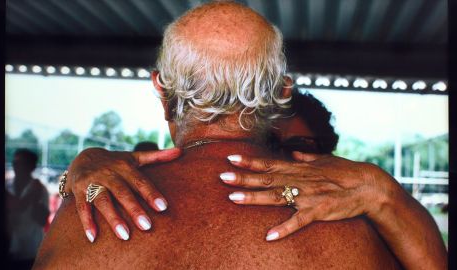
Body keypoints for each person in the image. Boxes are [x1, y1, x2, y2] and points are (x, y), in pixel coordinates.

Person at [34, 2, 444, 269]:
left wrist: (77, 175)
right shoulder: (350, 227)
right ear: (283, 92)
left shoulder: (91, 212)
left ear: (161, 87)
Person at [6, 149, 50, 269]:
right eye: (15, 162)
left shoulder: (41, 189)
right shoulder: (7, 187)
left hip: (31, 250)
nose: (16, 166)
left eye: (21, 162)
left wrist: (35, 199)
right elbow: (17, 207)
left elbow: (42, 220)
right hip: (9, 249)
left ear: (31, 166)